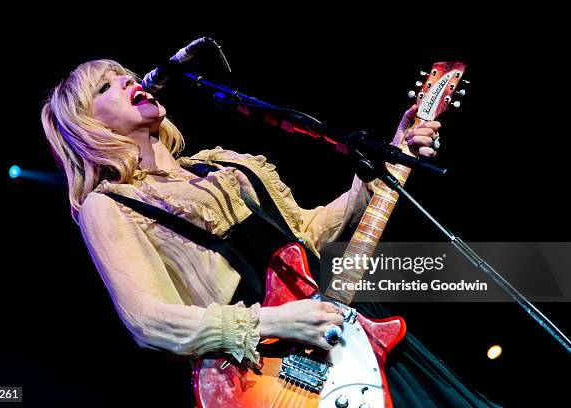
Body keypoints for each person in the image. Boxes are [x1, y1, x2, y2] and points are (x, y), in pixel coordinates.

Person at [41, 59, 499, 407]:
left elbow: (309, 233)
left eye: (125, 73)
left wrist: (394, 152)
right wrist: (276, 321)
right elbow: (149, 321)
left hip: (346, 330)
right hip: (266, 373)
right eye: (106, 84)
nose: (127, 79)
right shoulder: (111, 204)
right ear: (89, 124)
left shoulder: (223, 166)